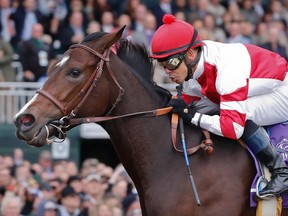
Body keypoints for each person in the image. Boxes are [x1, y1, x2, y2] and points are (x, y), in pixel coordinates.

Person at [150, 14, 288, 198]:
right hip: (247, 87)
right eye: (162, 65)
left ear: (190, 53)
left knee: (237, 113)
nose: (168, 72)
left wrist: (191, 116)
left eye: (171, 63)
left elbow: (233, 128)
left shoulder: (227, 71)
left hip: (279, 92)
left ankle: (281, 172)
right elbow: (188, 102)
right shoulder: (193, 63)